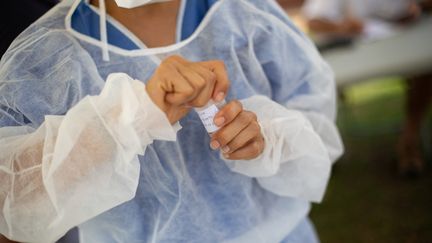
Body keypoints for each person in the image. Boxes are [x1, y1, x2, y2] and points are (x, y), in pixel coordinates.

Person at [0, 0, 343, 242]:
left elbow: (318, 127)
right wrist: (126, 118)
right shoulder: (48, 54)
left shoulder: (246, 14)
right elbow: (11, 205)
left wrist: (268, 138)